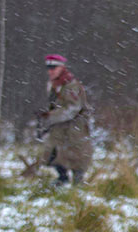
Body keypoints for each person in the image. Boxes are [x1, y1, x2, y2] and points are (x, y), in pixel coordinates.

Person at [38, 54, 93, 185]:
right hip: (59, 129)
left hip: (74, 128)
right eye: (49, 68)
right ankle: (62, 179)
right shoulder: (55, 85)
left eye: (54, 68)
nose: (50, 71)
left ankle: (78, 183)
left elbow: (72, 109)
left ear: (62, 68)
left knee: (76, 156)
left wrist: (51, 116)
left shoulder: (71, 86)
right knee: (53, 153)